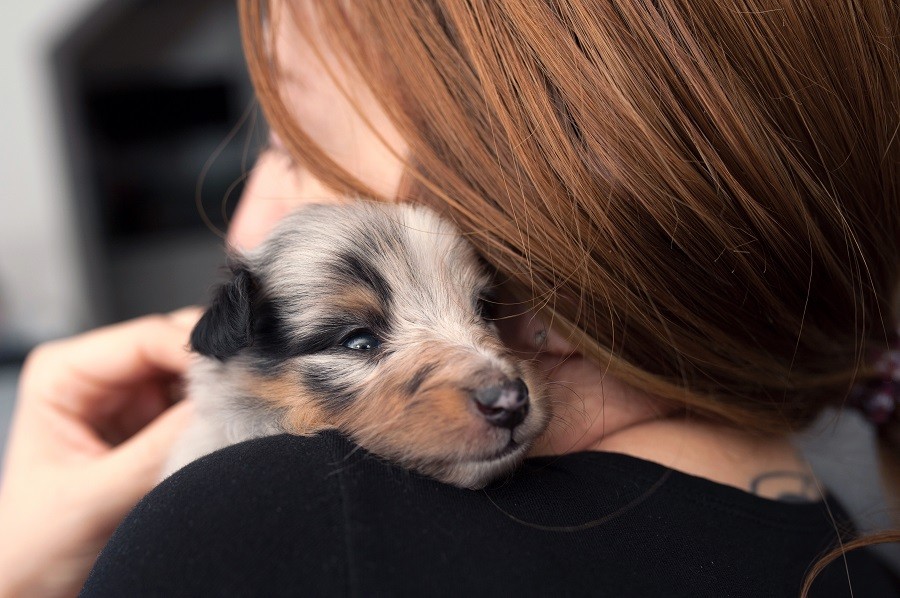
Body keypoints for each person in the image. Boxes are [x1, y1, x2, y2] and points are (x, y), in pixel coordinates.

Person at [1, 0, 899, 595]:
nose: (246, 221)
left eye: (293, 147)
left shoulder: (280, 523)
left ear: (545, 193)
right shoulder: (840, 540)